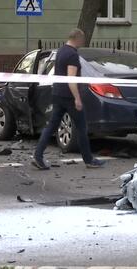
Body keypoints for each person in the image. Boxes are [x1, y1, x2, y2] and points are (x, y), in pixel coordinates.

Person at [32, 28, 105, 170]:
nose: (82, 43)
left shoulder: (61, 51)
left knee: (52, 125)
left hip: (57, 93)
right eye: (82, 40)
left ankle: (38, 155)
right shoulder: (72, 55)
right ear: (78, 39)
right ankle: (89, 160)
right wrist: (77, 98)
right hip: (69, 96)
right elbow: (71, 79)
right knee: (82, 127)